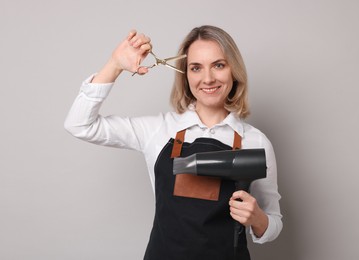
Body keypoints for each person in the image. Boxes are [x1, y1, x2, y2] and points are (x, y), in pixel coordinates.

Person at [64, 25, 282, 260]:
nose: (208, 78)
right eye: (196, 68)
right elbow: (79, 124)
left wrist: (257, 218)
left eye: (218, 65)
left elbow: (273, 224)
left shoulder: (255, 141)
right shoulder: (158, 130)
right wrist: (115, 65)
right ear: (185, 75)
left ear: (233, 70)